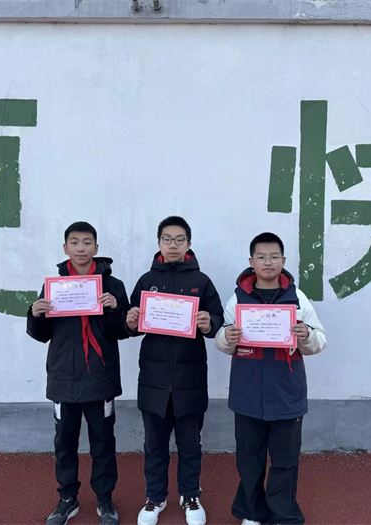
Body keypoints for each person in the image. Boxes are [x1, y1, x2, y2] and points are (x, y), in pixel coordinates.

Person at [214, 232, 327, 525]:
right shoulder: (238, 298)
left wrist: (306, 335)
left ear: (283, 260)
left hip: (287, 393)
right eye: (261, 257)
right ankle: (252, 513)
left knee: (285, 460)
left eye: (274, 256)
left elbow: (320, 340)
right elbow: (221, 339)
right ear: (251, 261)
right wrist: (227, 337)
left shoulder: (298, 299)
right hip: (248, 393)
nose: (268, 262)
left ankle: (283, 515)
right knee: (249, 460)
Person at [27, 221, 130, 525]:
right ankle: (67, 499)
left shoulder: (113, 285)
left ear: (96, 247)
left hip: (100, 376)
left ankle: (104, 499)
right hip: (63, 377)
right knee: (64, 443)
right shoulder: (54, 286)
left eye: (87, 242)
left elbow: (123, 331)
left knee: (103, 442)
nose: (81, 248)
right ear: (65, 248)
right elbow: (42, 334)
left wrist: (115, 309)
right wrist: (35, 314)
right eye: (74, 242)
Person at [125, 216, 224, 525]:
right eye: (167, 239)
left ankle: (190, 495)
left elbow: (218, 319)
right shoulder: (146, 281)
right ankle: (155, 497)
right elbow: (131, 322)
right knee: (154, 445)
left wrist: (209, 323)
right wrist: (130, 321)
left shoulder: (202, 281)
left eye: (179, 240)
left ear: (189, 244)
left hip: (189, 378)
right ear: (159, 243)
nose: (173, 245)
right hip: (153, 380)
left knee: (190, 444)